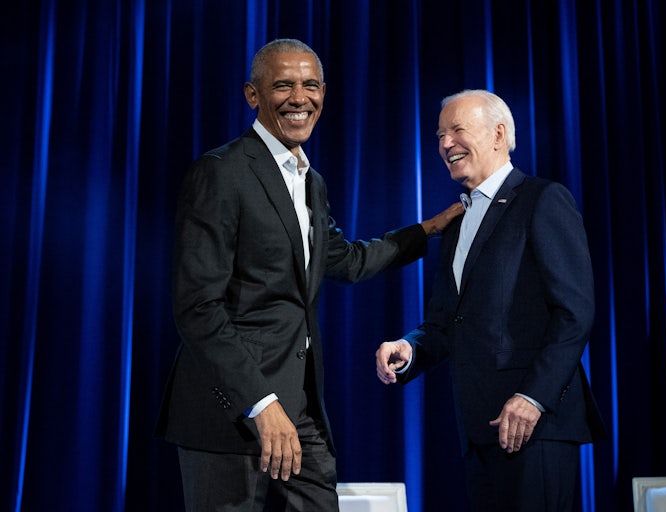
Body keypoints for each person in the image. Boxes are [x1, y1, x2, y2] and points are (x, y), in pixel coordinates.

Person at [154, 38, 462, 511]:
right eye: (283, 86)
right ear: (252, 95)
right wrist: (260, 402)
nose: (300, 98)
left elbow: (346, 260)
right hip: (230, 412)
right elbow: (198, 308)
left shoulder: (310, 181)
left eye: (310, 85)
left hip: (299, 409)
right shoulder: (221, 173)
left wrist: (430, 229)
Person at [375, 89, 606, 511]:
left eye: (457, 130)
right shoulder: (458, 221)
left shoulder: (542, 199)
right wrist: (410, 347)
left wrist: (533, 397)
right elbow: (447, 322)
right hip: (481, 430)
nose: (445, 143)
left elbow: (575, 312)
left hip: (536, 427)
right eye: (440, 134)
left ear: (498, 134)